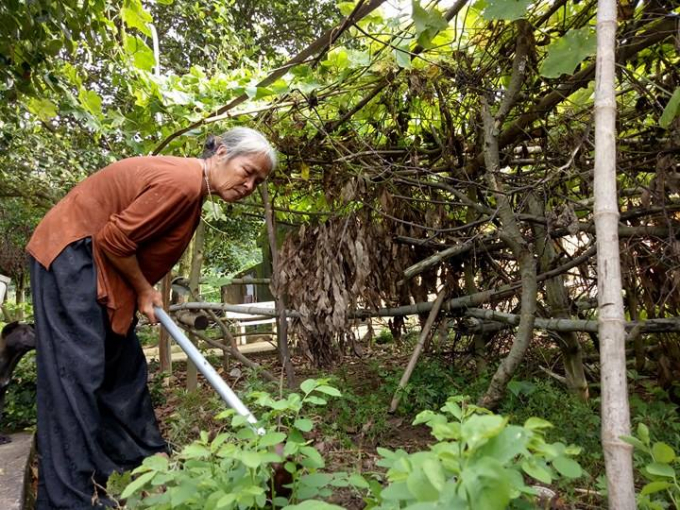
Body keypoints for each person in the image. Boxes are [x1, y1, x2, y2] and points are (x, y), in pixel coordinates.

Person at [26, 127, 276, 509]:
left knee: (122, 368)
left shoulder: (192, 191)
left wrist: (136, 290)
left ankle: (145, 461)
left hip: (96, 266)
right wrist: (144, 289)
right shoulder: (183, 183)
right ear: (222, 152)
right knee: (75, 376)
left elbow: (131, 243)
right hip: (70, 256)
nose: (250, 185)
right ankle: (69, 499)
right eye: (248, 172)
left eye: (258, 181)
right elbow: (114, 239)